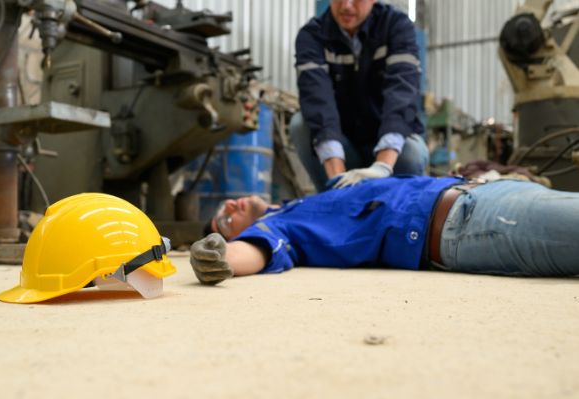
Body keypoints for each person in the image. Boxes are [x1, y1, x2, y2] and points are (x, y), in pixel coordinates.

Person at [190, 176, 579, 284]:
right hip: (471, 222)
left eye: (223, 207)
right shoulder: (281, 225)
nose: (229, 207)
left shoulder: (300, 202)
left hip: (488, 192)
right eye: (225, 222)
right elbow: (258, 250)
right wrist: (220, 255)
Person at [292, 0, 429, 192]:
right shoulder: (312, 36)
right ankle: (332, 199)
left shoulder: (396, 26)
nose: (347, 6)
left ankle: (398, 201)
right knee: (300, 124)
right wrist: (339, 181)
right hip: (344, 145)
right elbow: (317, 102)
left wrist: (382, 166)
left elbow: (402, 93)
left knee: (412, 153)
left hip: (388, 144)